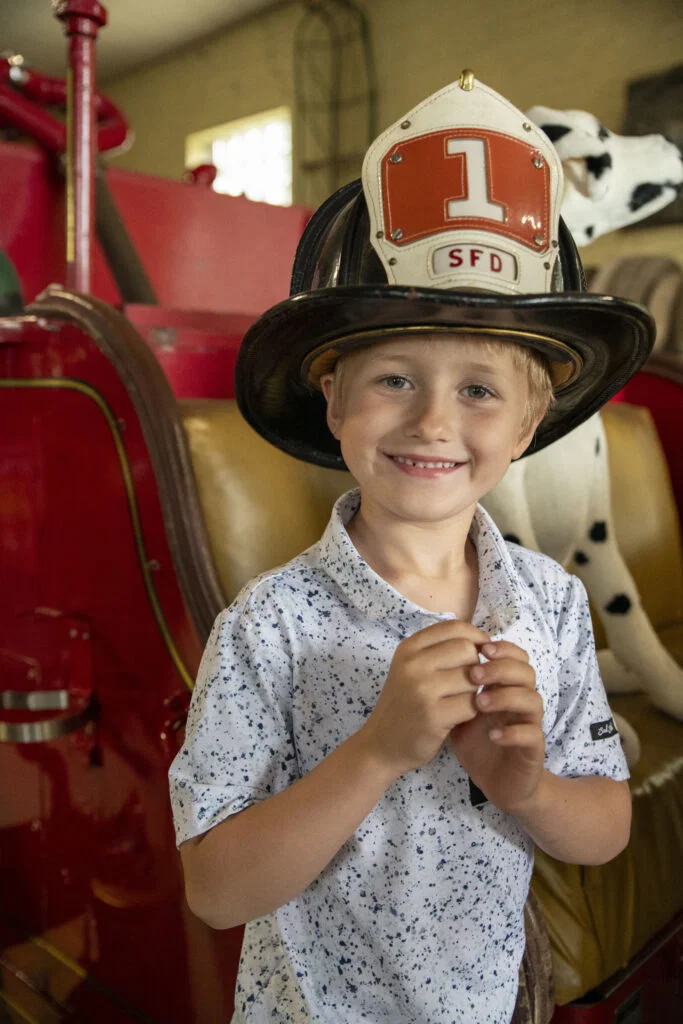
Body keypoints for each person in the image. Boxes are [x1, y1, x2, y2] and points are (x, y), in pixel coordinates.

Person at [170, 72, 654, 1023]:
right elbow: (215, 891)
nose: (433, 421)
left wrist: (526, 786)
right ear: (333, 397)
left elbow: (602, 829)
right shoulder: (267, 624)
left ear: (525, 428)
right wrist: (377, 751)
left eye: (479, 390)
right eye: (394, 378)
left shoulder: (549, 603)